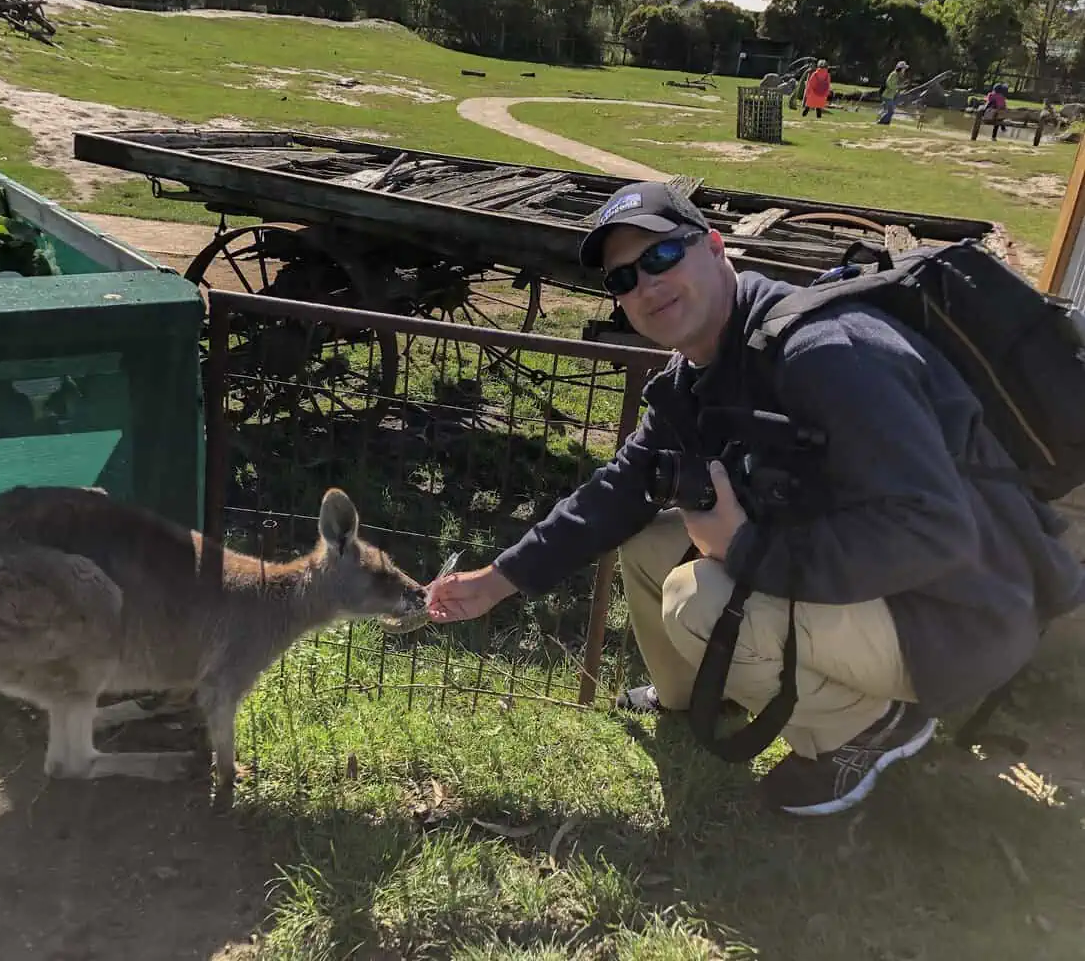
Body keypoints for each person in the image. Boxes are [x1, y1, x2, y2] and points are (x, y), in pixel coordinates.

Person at [425, 182, 1085, 817]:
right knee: (651, 539)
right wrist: (498, 580)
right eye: (622, 279)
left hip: (958, 612)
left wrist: (746, 549)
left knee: (698, 597)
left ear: (715, 247)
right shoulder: (697, 375)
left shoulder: (826, 353)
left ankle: (868, 727)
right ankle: (691, 699)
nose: (645, 284)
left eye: (659, 255)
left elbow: (935, 531)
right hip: (886, 589)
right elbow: (618, 490)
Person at [876, 60, 908, 125]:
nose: (904, 70)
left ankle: (886, 122)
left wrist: (901, 86)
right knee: (891, 111)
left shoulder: (897, 75)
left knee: (888, 110)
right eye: (904, 68)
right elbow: (889, 84)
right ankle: (881, 122)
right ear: (900, 68)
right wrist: (899, 86)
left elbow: (894, 86)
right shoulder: (894, 74)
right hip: (887, 96)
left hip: (890, 96)